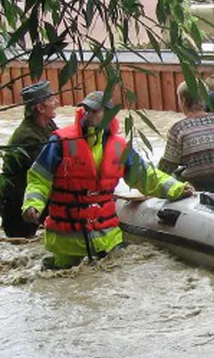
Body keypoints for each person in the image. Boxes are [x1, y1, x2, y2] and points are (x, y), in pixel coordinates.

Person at [22, 91, 193, 269]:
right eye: (86, 109)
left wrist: (177, 188)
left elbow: (146, 177)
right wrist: (32, 205)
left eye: (95, 111)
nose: (88, 115)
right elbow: (39, 179)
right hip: (66, 241)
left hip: (107, 237)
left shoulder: (119, 147)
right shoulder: (61, 142)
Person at [159, 82, 214, 193]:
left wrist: (155, 180)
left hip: (194, 181)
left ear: (183, 101)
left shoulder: (178, 128)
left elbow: (168, 165)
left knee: (173, 178)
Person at [1, 81, 59, 238]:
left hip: (33, 201)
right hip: (20, 208)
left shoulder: (47, 124)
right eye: (52, 100)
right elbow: (50, 169)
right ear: (40, 108)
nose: (57, 103)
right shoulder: (28, 137)